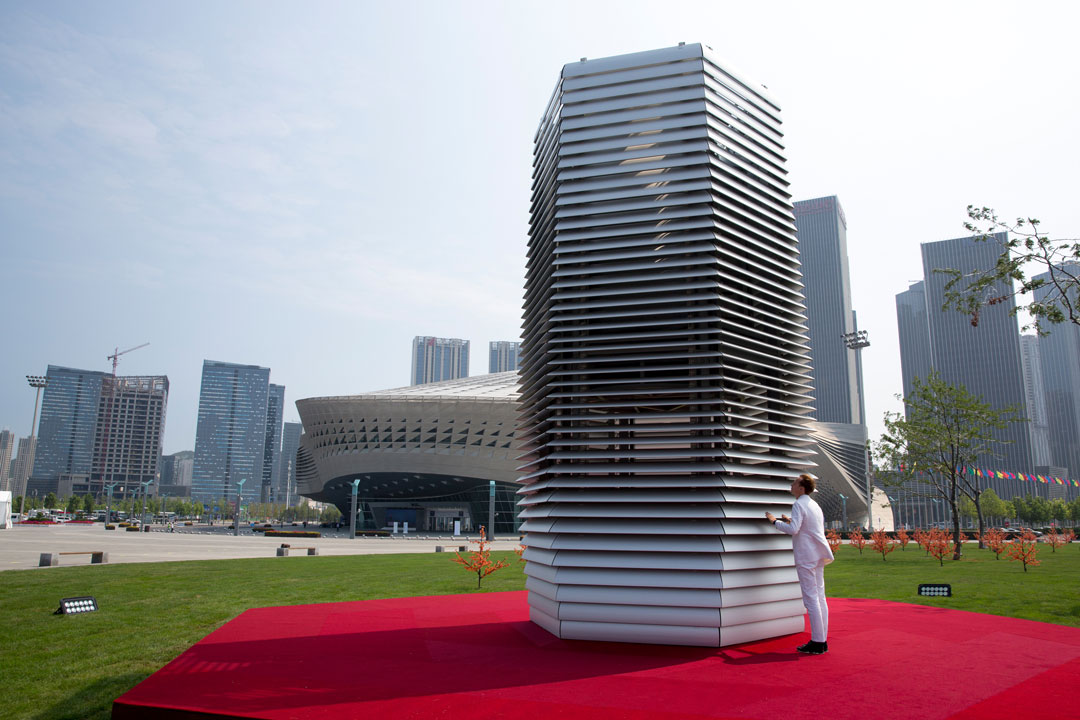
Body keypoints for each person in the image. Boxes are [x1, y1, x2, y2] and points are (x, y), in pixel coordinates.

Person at [765, 473, 833, 655]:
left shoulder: (798, 504)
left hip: (806, 556)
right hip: (818, 554)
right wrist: (789, 520)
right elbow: (806, 526)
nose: (792, 485)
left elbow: (794, 530)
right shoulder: (813, 504)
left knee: (811, 598)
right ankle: (822, 639)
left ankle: (818, 641)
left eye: (795, 483)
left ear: (801, 488)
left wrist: (775, 522)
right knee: (819, 596)